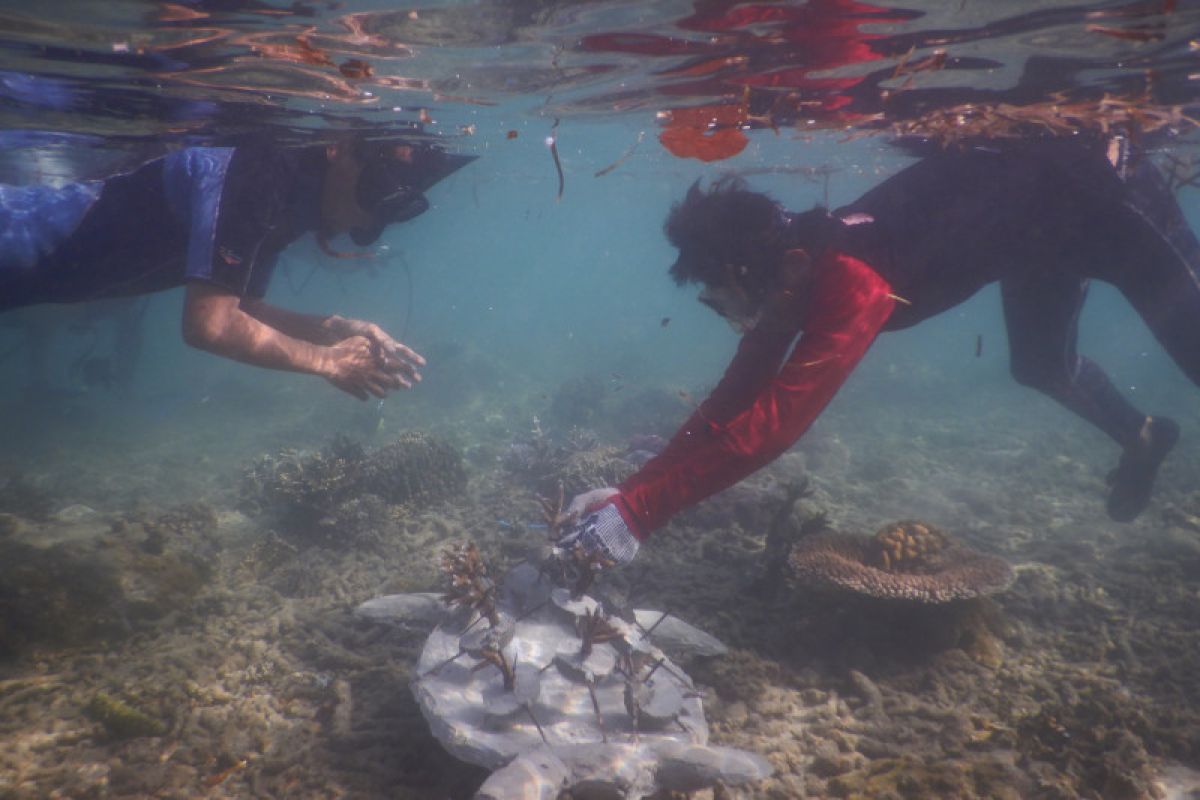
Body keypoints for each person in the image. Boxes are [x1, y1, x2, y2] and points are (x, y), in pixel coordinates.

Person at [558, 134, 1198, 567]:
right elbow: (733, 401)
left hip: (1101, 198)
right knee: (1039, 367)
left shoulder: (851, 282)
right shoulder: (792, 275)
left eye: (725, 297)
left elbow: (769, 432)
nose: (734, 317)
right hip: (1034, 236)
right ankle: (1142, 435)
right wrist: (629, 493)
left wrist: (638, 518)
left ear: (775, 270)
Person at [0, 136, 472, 400]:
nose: (367, 220)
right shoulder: (259, 172)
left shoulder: (293, 200)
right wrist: (326, 361)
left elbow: (240, 306)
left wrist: (330, 329)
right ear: (339, 148)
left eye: (394, 210)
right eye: (378, 192)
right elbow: (209, 326)